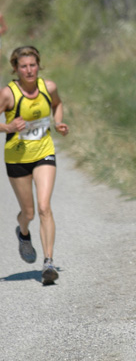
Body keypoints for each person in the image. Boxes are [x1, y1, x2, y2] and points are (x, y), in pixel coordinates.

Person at [0, 46, 69, 285]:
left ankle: (48, 262)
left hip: (44, 153)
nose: (29, 70)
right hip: (17, 158)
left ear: (38, 65)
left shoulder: (47, 87)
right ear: (16, 69)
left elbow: (57, 105)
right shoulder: (8, 94)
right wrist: (7, 127)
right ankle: (23, 232)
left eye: (32, 65)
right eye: (23, 66)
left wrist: (58, 123)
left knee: (43, 207)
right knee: (28, 212)